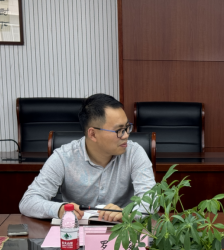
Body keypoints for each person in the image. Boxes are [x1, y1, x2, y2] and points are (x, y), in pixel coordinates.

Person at [19, 93, 156, 222]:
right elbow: (28, 201)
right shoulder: (64, 156)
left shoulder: (134, 153)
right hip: (76, 231)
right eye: (119, 130)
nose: (126, 135)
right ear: (93, 134)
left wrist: (126, 213)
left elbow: (152, 202)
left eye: (127, 127)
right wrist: (60, 209)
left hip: (122, 231)